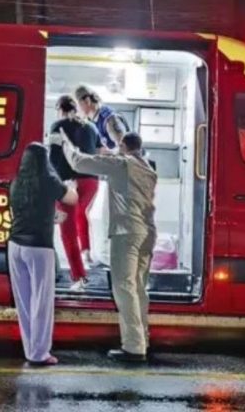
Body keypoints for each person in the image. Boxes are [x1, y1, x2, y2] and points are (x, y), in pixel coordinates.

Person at [60, 130, 157, 363]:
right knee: (139, 288)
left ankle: (134, 347)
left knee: (123, 287)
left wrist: (64, 141)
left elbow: (79, 162)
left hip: (126, 232)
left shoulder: (122, 164)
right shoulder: (148, 167)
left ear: (123, 146)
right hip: (148, 232)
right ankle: (142, 338)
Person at [8, 142, 78, 366]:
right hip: (39, 248)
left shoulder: (16, 183)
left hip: (15, 245)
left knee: (24, 303)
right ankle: (40, 354)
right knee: (42, 302)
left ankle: (31, 350)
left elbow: (24, 211)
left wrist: (52, 216)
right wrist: (69, 183)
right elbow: (72, 198)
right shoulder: (49, 180)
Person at [49, 95, 101, 290]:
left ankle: (79, 278)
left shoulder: (58, 125)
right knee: (82, 215)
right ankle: (87, 252)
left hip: (69, 183)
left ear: (59, 109)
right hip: (91, 181)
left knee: (67, 230)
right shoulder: (91, 127)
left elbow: (54, 156)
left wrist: (54, 182)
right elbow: (97, 153)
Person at [74, 85, 129, 151]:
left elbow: (124, 151)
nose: (76, 110)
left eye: (77, 105)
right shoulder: (90, 122)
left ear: (87, 101)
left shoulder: (109, 119)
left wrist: (103, 153)